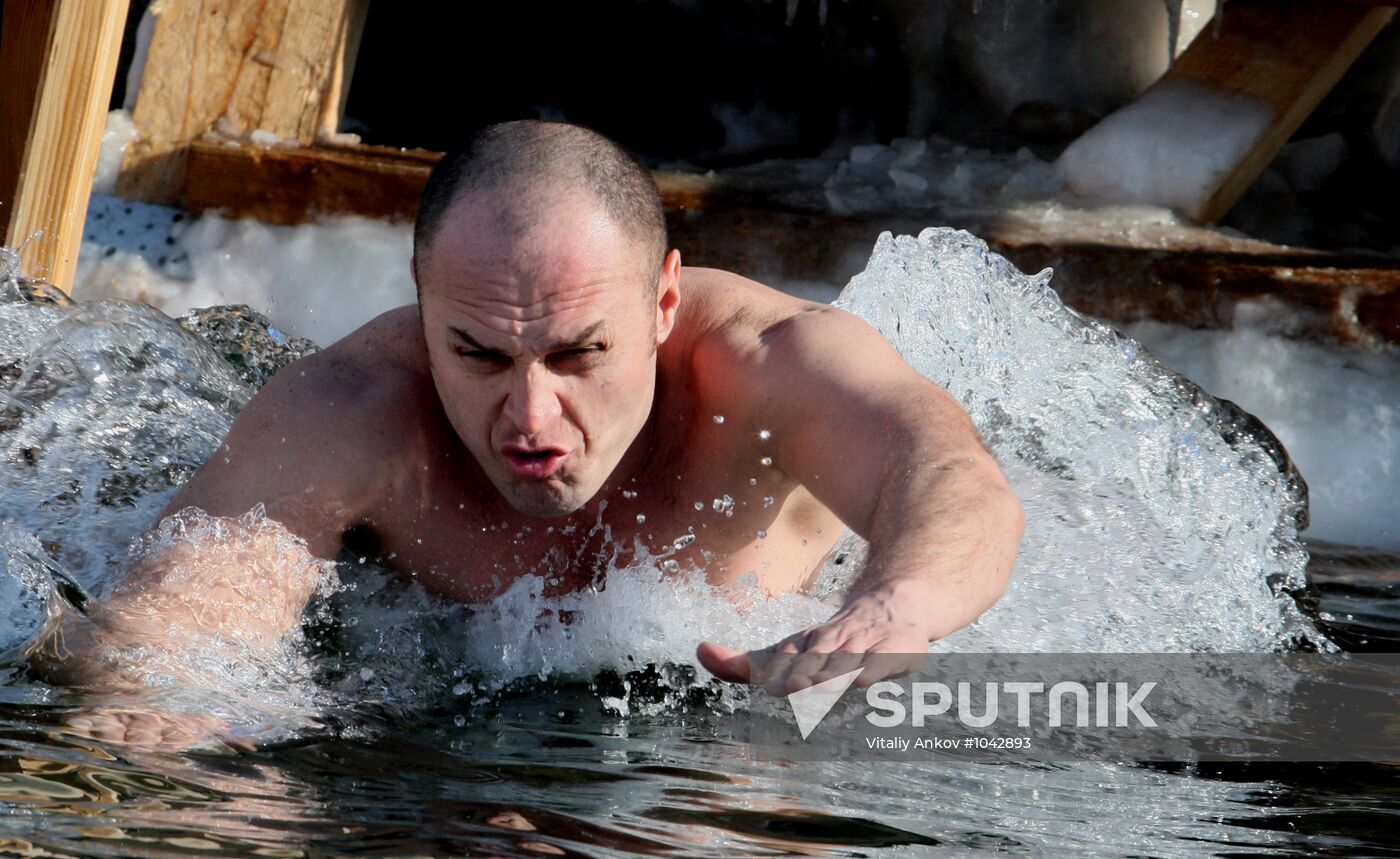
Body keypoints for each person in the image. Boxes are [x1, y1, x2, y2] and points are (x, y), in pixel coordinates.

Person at [32, 121, 1024, 736]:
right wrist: (163, 706)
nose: (531, 417)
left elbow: (944, 472)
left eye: (579, 353)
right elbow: (178, 625)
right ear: (423, 302)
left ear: (664, 301)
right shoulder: (351, 410)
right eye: (479, 356)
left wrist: (900, 602)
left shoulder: (771, 369)